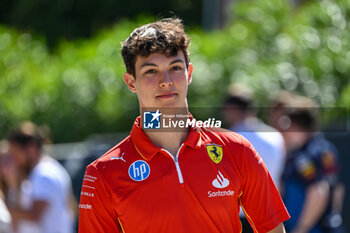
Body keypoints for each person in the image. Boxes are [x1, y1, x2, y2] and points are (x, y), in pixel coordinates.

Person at [78, 17, 290, 233]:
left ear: (189, 74)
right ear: (131, 82)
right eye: (151, 71)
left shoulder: (237, 150)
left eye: (175, 67)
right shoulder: (102, 173)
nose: (166, 80)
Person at [223, 84, 286, 233]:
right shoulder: (276, 136)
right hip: (272, 216)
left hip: (239, 218)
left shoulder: (227, 140)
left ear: (232, 109)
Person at [279, 95, 346, 233]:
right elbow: (338, 189)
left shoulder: (305, 155)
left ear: (296, 125)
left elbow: (318, 191)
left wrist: (301, 229)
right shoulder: (325, 149)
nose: (284, 132)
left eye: (287, 125)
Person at [7, 122, 75, 233]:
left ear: (31, 148)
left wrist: (4, 208)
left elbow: (34, 215)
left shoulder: (42, 174)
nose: (15, 160)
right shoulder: (49, 168)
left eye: (16, 153)